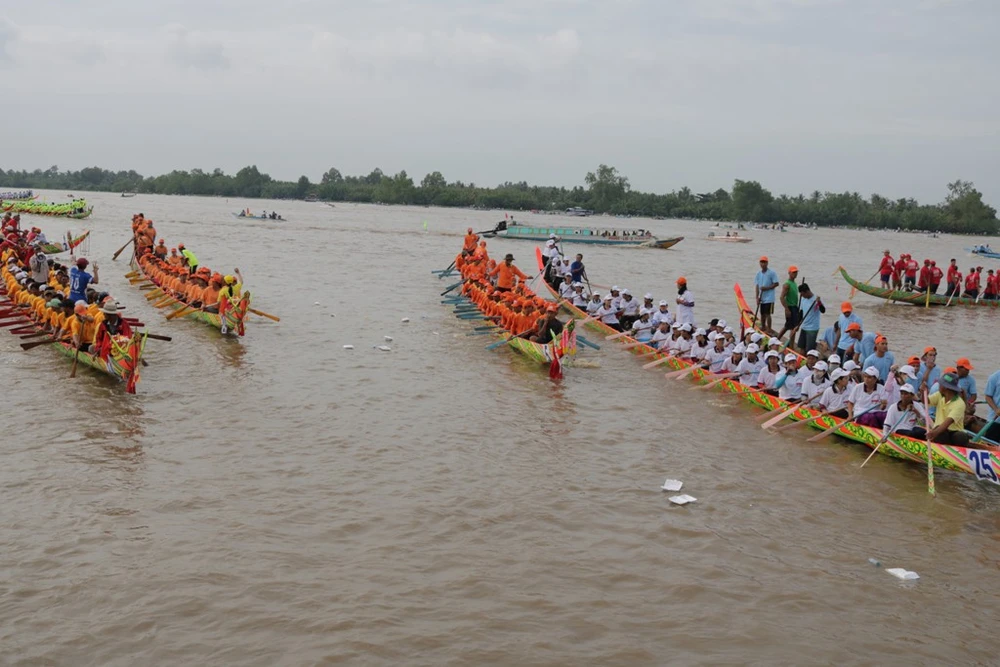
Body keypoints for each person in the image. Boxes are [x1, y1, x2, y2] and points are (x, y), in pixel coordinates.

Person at [923, 373, 970, 445]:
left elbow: (948, 422)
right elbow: (925, 401)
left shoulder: (959, 403)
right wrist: (922, 391)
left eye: (940, 384)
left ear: (945, 387)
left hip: (954, 432)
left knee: (960, 436)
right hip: (941, 431)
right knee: (940, 432)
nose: (938, 386)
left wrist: (934, 433)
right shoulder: (939, 395)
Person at [794, 283, 824, 353]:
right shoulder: (803, 299)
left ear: (807, 292)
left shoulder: (816, 300)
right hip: (804, 327)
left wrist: (819, 302)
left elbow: (823, 310)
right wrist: (797, 325)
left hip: (812, 329)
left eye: (803, 294)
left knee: (809, 351)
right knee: (801, 348)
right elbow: (801, 313)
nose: (802, 296)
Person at [754, 256, 780, 333]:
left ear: (767, 263)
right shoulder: (758, 274)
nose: (763, 264)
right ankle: (763, 326)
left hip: (769, 297)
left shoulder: (772, 273)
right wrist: (757, 297)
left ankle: (769, 329)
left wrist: (767, 288)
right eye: (761, 262)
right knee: (762, 314)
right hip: (762, 297)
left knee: (768, 314)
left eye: (764, 262)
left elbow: (776, 283)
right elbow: (757, 286)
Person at [981, 368, 1000, 442]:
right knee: (989, 443)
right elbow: (988, 397)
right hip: (995, 420)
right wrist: (996, 409)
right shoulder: (994, 377)